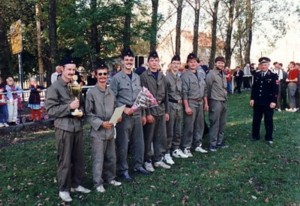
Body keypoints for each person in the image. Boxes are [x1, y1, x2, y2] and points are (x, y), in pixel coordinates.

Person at [45, 57, 90, 202]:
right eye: (69, 69)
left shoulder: (75, 85)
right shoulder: (54, 88)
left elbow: (80, 104)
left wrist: (81, 111)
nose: (71, 72)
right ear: (62, 69)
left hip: (77, 127)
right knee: (65, 160)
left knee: (78, 159)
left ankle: (76, 184)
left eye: (73, 69)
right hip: (64, 128)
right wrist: (68, 107)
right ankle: (64, 188)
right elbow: (51, 110)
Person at [109, 48, 149, 181]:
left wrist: (143, 113)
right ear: (122, 61)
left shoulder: (137, 77)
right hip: (124, 115)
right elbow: (112, 98)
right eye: (126, 60)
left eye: (131, 60)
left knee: (139, 142)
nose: (129, 62)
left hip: (137, 113)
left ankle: (138, 165)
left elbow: (141, 96)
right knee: (123, 143)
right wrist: (123, 109)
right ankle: (123, 169)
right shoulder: (116, 78)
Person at [85, 62, 122, 193]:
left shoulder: (111, 92)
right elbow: (88, 114)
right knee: (98, 158)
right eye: (100, 74)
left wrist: (118, 116)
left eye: (105, 74)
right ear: (95, 75)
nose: (102, 76)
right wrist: (100, 123)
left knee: (111, 156)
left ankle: (111, 178)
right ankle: (98, 182)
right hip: (98, 132)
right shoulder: (91, 93)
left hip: (110, 130)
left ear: (108, 75)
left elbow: (116, 108)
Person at [140, 51, 170, 171]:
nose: (154, 63)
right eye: (152, 60)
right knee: (149, 136)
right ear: (148, 62)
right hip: (151, 110)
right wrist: (147, 113)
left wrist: (167, 111)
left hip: (161, 110)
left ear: (158, 62)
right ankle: (147, 159)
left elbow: (166, 95)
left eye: (156, 60)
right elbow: (143, 95)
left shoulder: (162, 76)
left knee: (160, 136)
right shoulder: (144, 76)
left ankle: (158, 158)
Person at [181, 53, 208, 157]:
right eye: (191, 62)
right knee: (189, 125)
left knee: (200, 124)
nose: (193, 64)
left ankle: (198, 144)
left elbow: (204, 89)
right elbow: (184, 92)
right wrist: (187, 106)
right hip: (191, 102)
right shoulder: (185, 75)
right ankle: (186, 146)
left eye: (195, 62)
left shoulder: (201, 74)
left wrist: (206, 103)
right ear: (188, 63)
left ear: (198, 63)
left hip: (200, 102)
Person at [250, 57, 278, 144]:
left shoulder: (273, 75)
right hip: (257, 101)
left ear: (268, 65)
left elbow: (275, 90)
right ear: (259, 66)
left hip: (268, 102)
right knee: (256, 119)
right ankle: (255, 135)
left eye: (265, 65)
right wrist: (252, 99)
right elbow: (254, 88)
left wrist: (274, 101)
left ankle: (268, 137)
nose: (263, 66)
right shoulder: (257, 75)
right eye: (262, 65)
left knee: (268, 119)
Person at [165, 55, 188, 161]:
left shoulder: (179, 77)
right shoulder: (166, 77)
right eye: (174, 63)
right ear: (170, 65)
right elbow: (164, 95)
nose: (176, 65)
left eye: (178, 63)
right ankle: (167, 151)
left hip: (179, 105)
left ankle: (175, 148)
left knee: (178, 129)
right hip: (170, 104)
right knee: (169, 129)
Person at [206, 56, 228, 152]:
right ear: (215, 63)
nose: (221, 64)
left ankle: (219, 141)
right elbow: (207, 88)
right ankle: (212, 144)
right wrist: (208, 102)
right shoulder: (211, 74)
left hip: (223, 100)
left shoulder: (223, 74)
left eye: (222, 63)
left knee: (222, 123)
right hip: (215, 100)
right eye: (219, 63)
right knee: (215, 122)